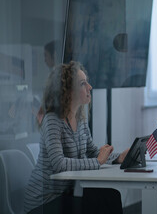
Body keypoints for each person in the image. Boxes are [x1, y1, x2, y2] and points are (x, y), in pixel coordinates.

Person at [24, 61, 129, 214]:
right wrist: (98, 161)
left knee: (110, 196)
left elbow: (93, 152)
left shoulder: (80, 118)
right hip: (44, 201)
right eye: (82, 83)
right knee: (102, 202)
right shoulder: (52, 120)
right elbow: (59, 164)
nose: (89, 87)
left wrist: (118, 158)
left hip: (65, 196)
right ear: (68, 91)